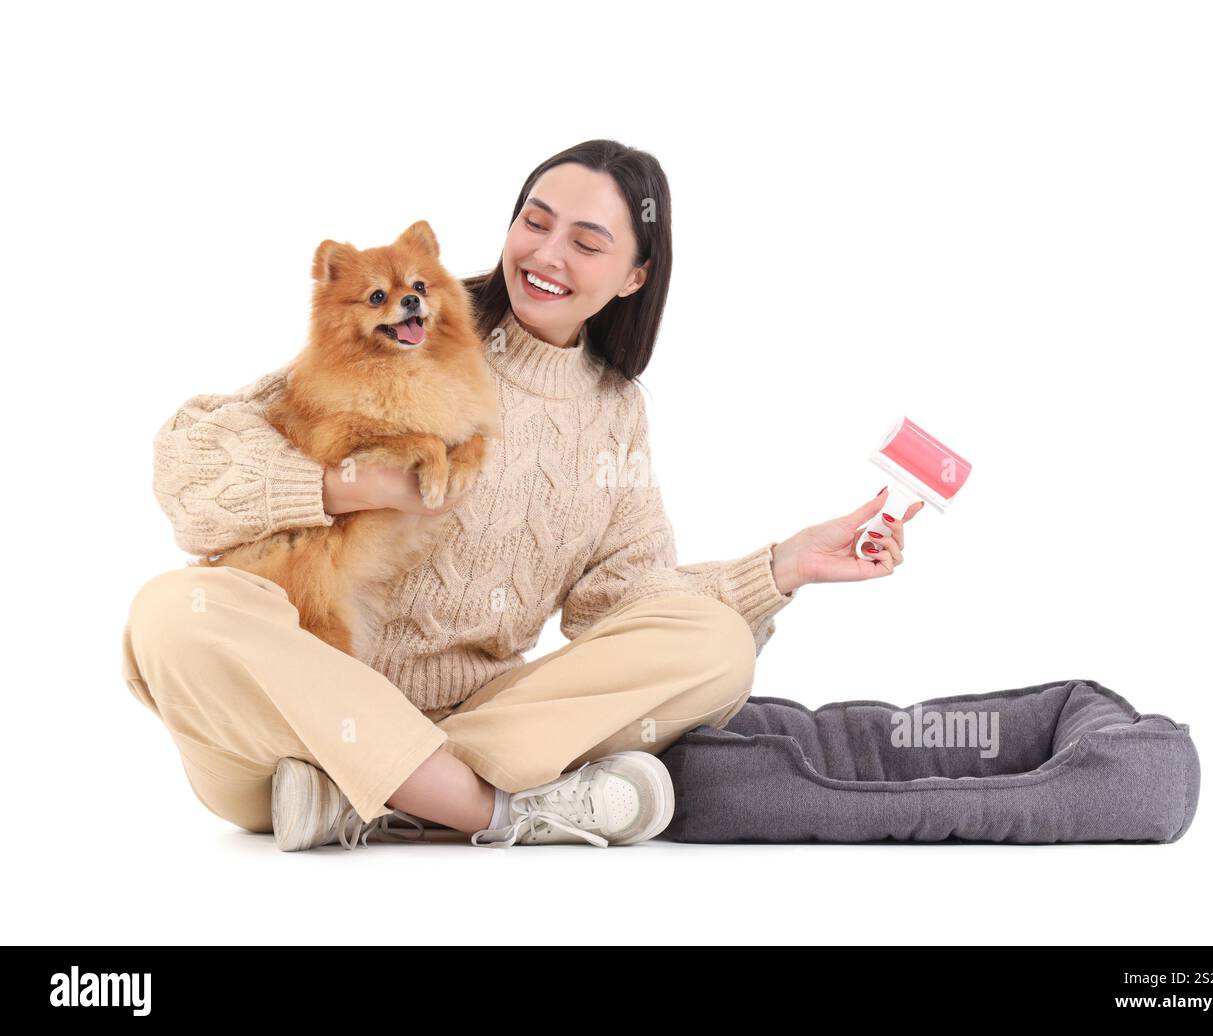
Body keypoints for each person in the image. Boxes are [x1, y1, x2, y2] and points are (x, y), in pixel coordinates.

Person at [121, 138, 920, 852]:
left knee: (715, 646)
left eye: (587, 241)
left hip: (476, 725)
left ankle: (375, 795)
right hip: (283, 742)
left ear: (632, 275)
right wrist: (350, 483)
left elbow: (626, 604)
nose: (547, 253)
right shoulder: (416, 325)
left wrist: (781, 568)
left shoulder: (614, 416)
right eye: (534, 222)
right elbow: (190, 464)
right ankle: (491, 811)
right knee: (171, 613)